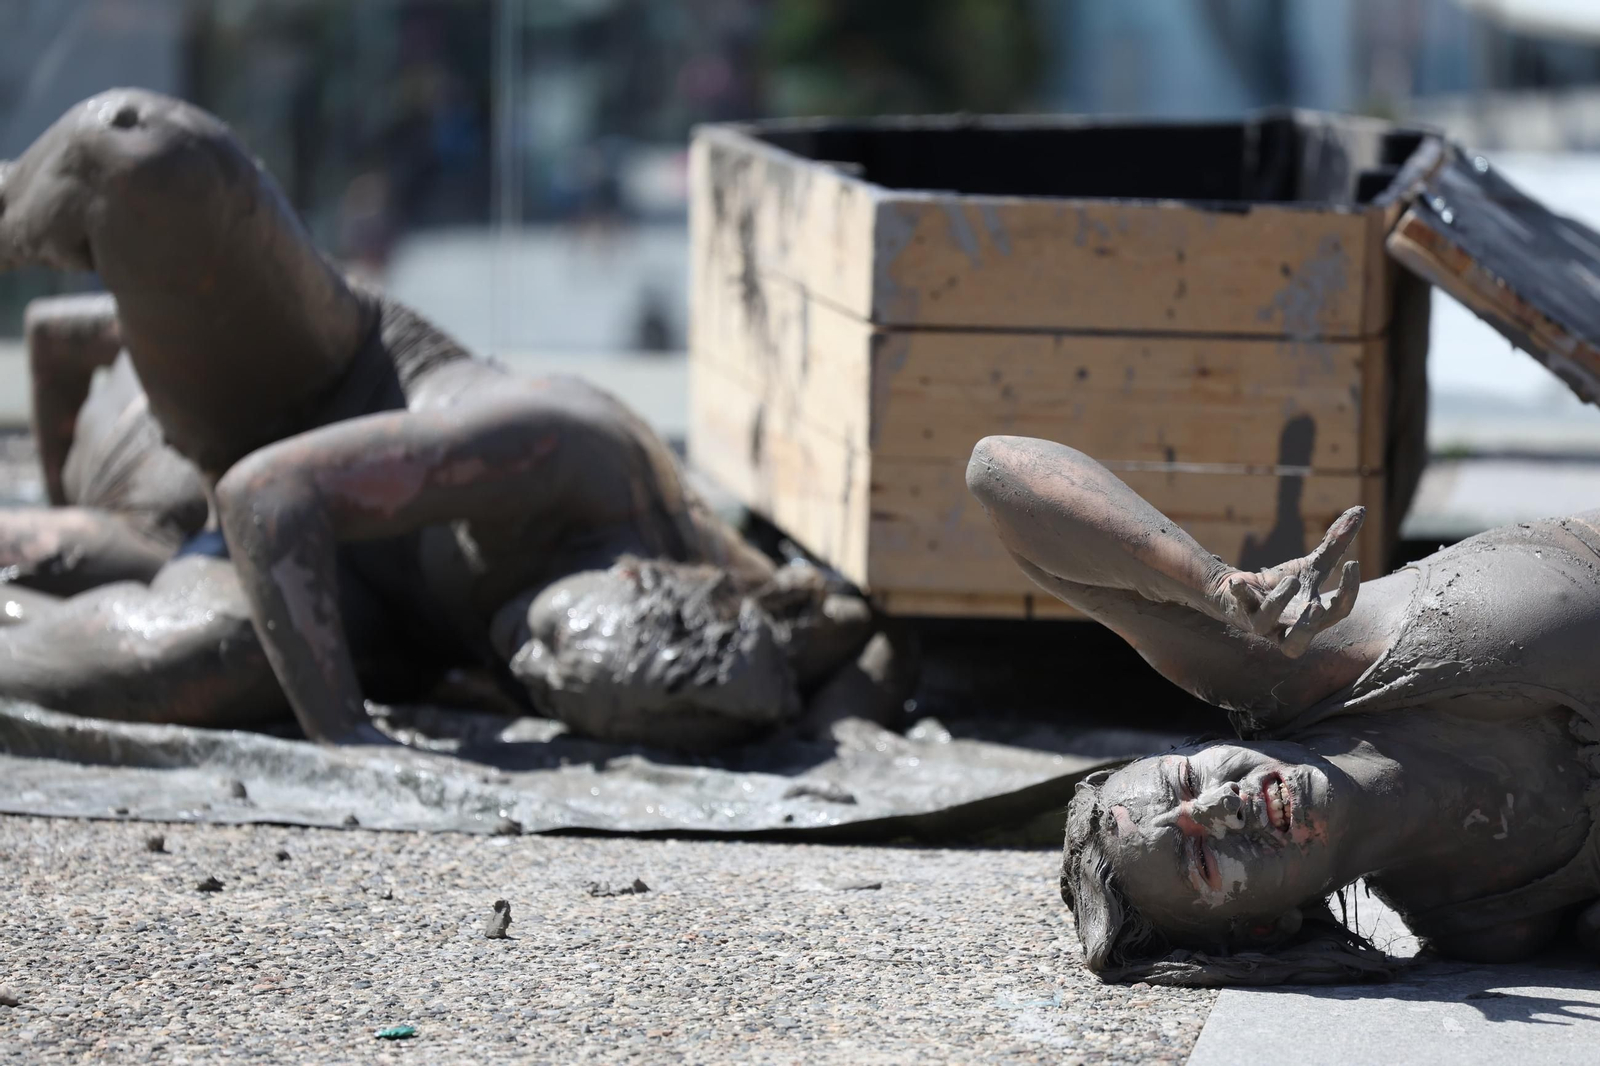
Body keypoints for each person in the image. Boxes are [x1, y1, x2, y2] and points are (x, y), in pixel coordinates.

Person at [0, 89, 903, 747]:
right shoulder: (558, 447)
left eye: (551, 697)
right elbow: (262, 495)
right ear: (638, 577)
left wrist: (843, 736)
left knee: (195, 661)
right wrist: (350, 742)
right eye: (550, 642)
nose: (528, 666)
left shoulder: (731, 643)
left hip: (343, 588)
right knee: (140, 148)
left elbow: (863, 640)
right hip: (312, 390)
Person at [967, 434, 1600, 985]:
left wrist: (1213, 585)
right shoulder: (1495, 920)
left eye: (1188, 781)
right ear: (1268, 927)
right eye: (1203, 860)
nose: (1218, 807)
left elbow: (996, 471)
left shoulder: (1306, 668)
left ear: (1201, 750)